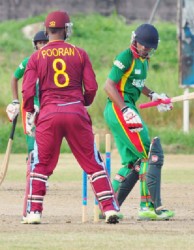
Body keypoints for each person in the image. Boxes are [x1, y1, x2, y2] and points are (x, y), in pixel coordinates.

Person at [21, 10, 120, 225]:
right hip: (75, 111)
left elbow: (27, 91)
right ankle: (110, 209)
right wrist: (81, 103)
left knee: (41, 165)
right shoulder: (80, 53)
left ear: (47, 32)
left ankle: (35, 212)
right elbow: (92, 87)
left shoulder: (36, 56)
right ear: (66, 30)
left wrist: (30, 111)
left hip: (48, 114)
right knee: (93, 163)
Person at [103, 23, 175, 220]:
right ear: (135, 40)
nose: (145, 48)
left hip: (126, 107)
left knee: (132, 161)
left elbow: (138, 84)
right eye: (142, 44)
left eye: (149, 47)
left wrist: (153, 95)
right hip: (119, 107)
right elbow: (109, 86)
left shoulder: (144, 61)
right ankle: (147, 207)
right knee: (148, 153)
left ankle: (108, 206)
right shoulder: (125, 56)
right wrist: (126, 109)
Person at [6, 30, 49, 222]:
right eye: (39, 43)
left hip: (49, 108)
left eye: (45, 42)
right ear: (35, 45)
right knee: (33, 149)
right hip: (30, 109)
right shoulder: (29, 60)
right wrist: (15, 101)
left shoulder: (53, 60)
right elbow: (15, 77)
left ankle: (39, 177)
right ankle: (30, 187)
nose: (42, 46)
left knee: (46, 147)